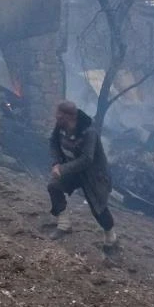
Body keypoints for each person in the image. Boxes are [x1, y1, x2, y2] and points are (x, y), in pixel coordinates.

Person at [47, 101, 117, 252]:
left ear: (69, 117)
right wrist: (56, 162)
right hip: (73, 170)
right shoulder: (61, 126)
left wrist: (63, 168)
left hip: (94, 175)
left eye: (59, 117)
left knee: (98, 208)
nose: (56, 120)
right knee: (54, 186)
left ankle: (111, 240)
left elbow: (87, 160)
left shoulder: (89, 132)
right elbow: (53, 142)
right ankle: (64, 224)